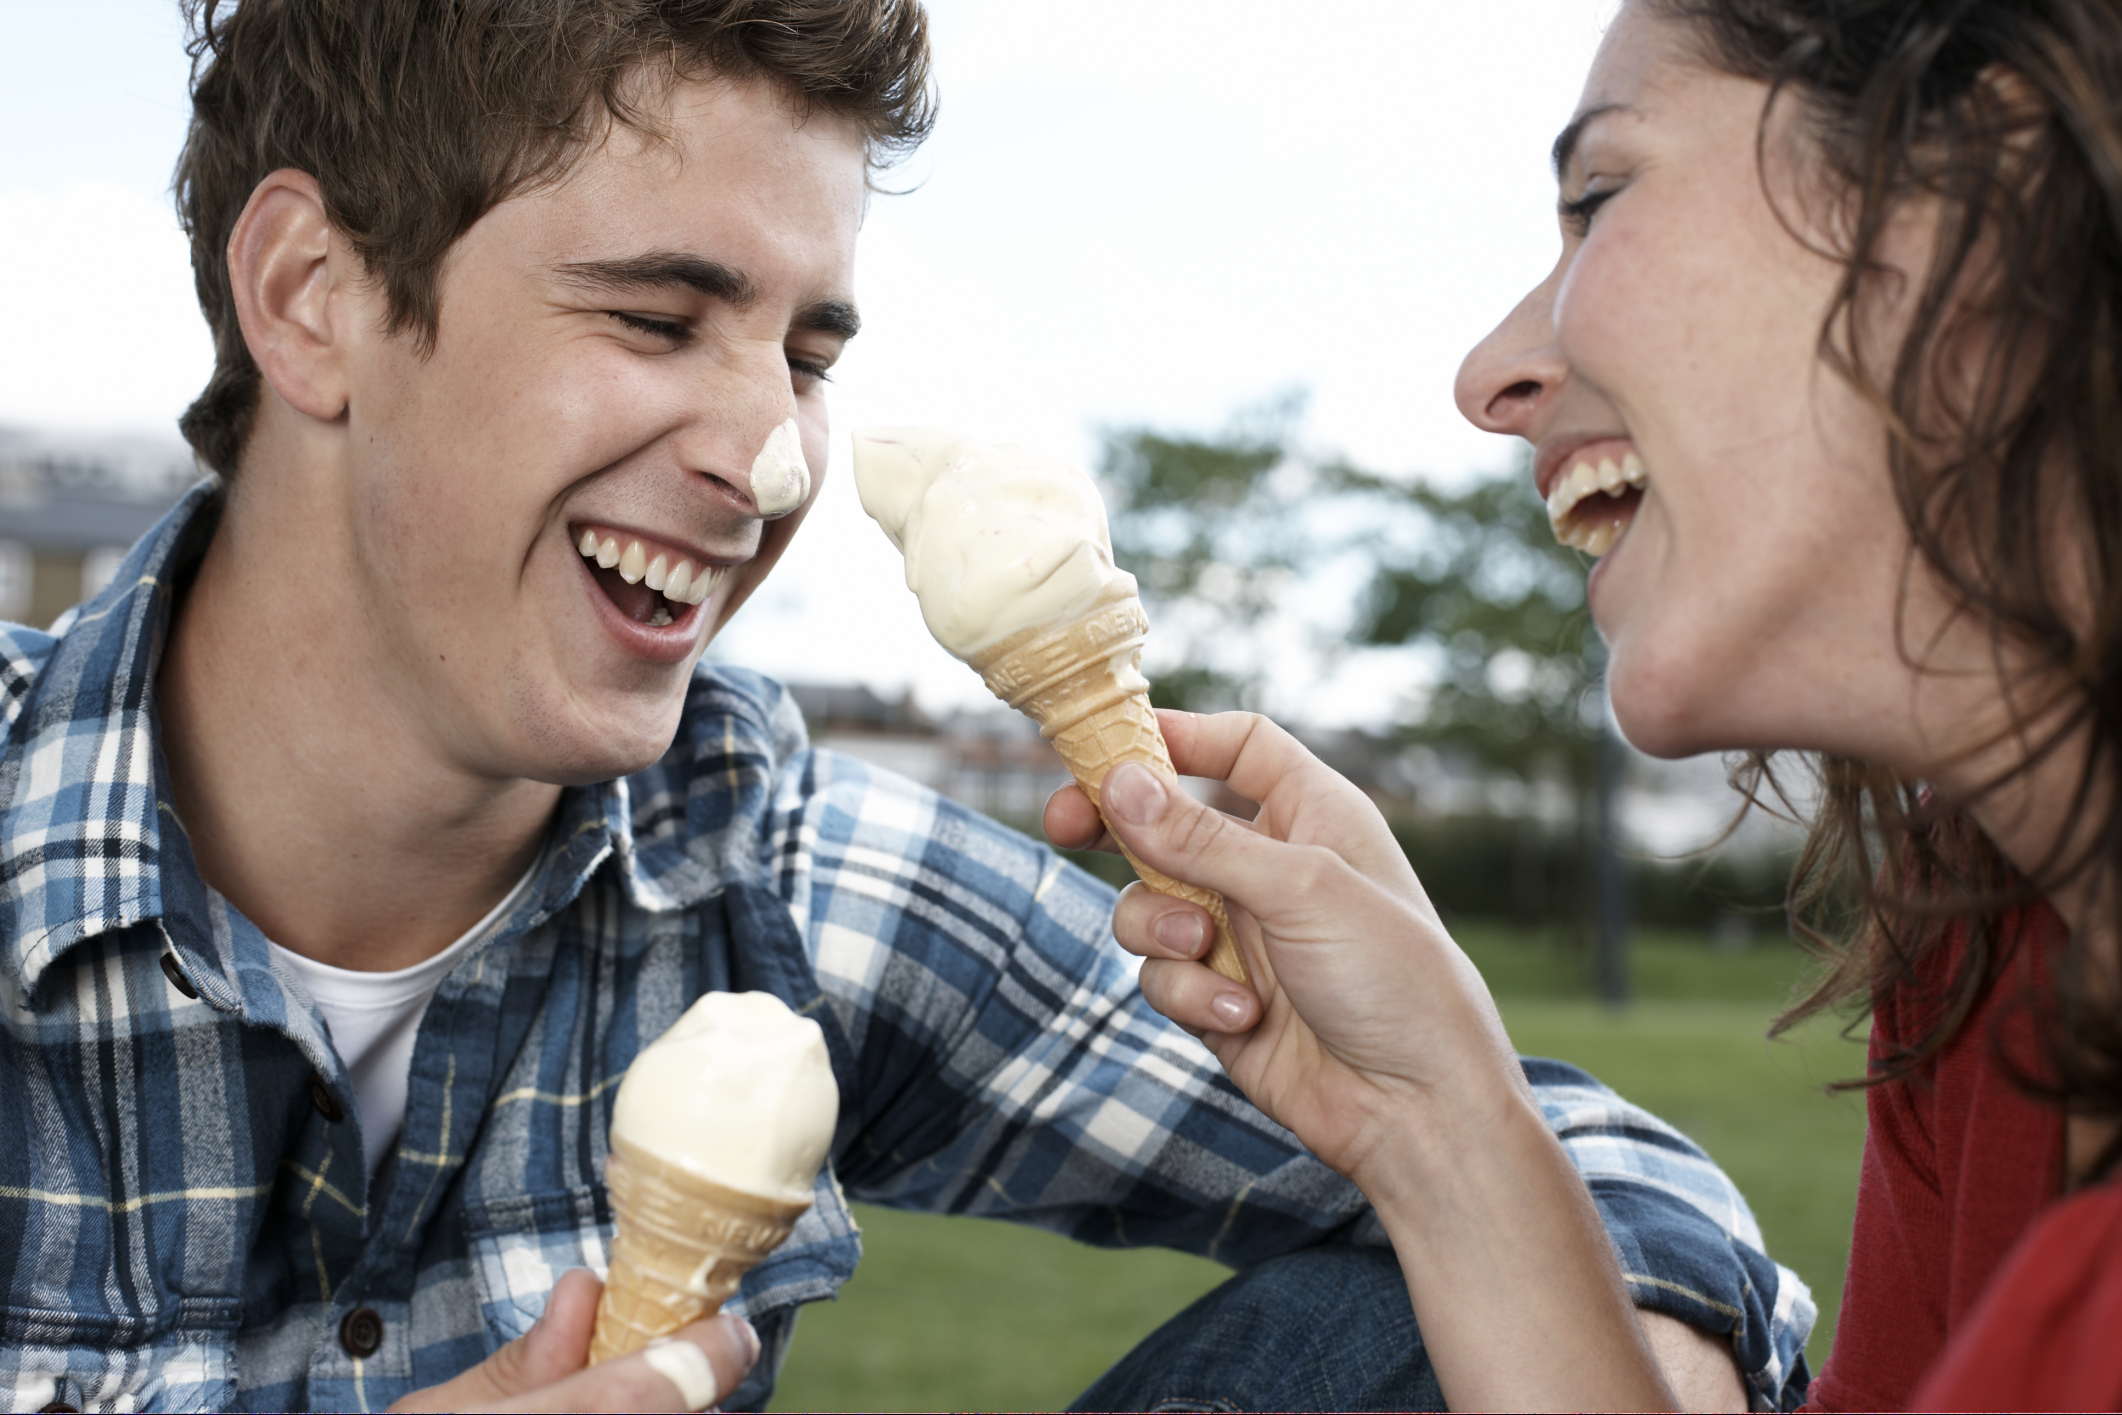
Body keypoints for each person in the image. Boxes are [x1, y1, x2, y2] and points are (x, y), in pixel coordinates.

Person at [0, 1, 1809, 1411]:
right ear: (310, 299)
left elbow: (1618, 1181)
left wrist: (1613, 1345)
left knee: (1414, 1333)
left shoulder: (777, 880)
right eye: (652, 319)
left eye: (803, 355)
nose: (772, 462)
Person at [1046, 0, 2122, 1409]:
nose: (1487, 375)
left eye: (1599, 195)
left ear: (1994, 185)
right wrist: (1439, 1119)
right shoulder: (1983, 939)